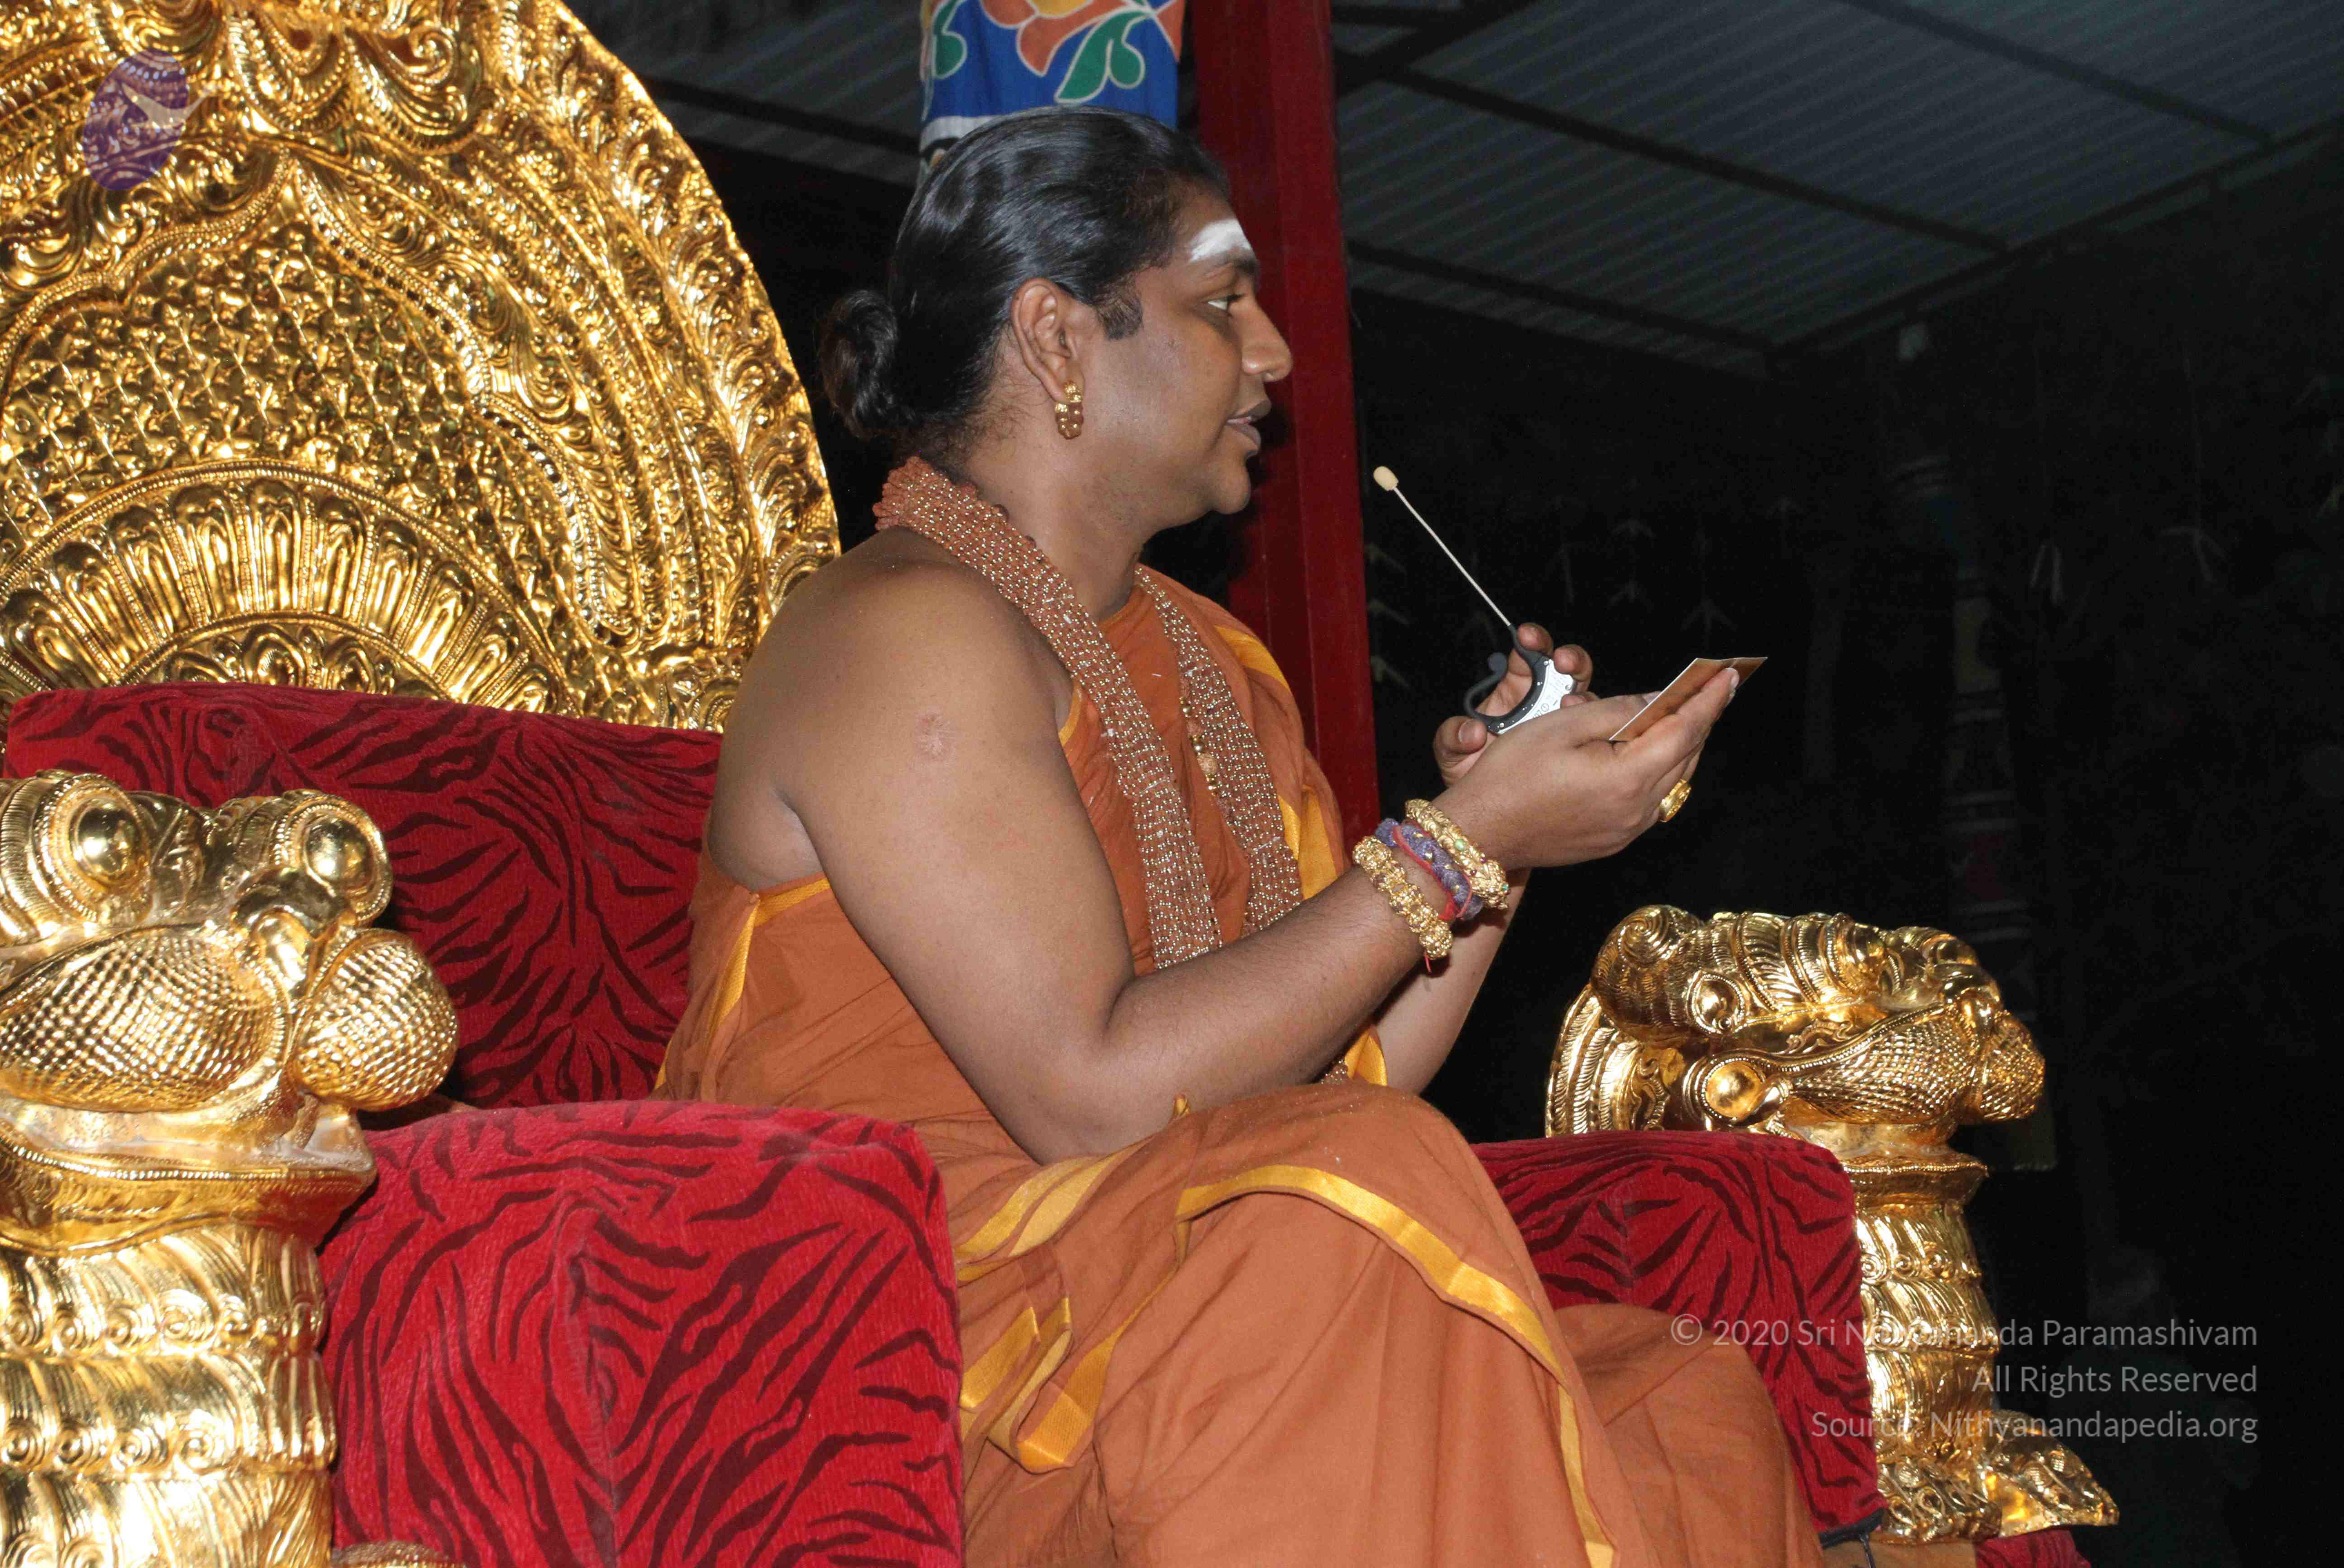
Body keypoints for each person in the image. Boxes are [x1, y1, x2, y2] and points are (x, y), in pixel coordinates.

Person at [657, 107, 1816, 1568]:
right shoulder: (902, 632)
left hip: (1191, 1264)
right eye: (1221, 303)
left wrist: (1505, 838)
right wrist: (1455, 843)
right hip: (908, 1329)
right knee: (1341, 1206)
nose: (1273, 354)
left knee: (1677, 1405)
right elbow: (1093, 1098)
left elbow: (1344, 1063)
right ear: (1058, 337)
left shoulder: (1218, 661)